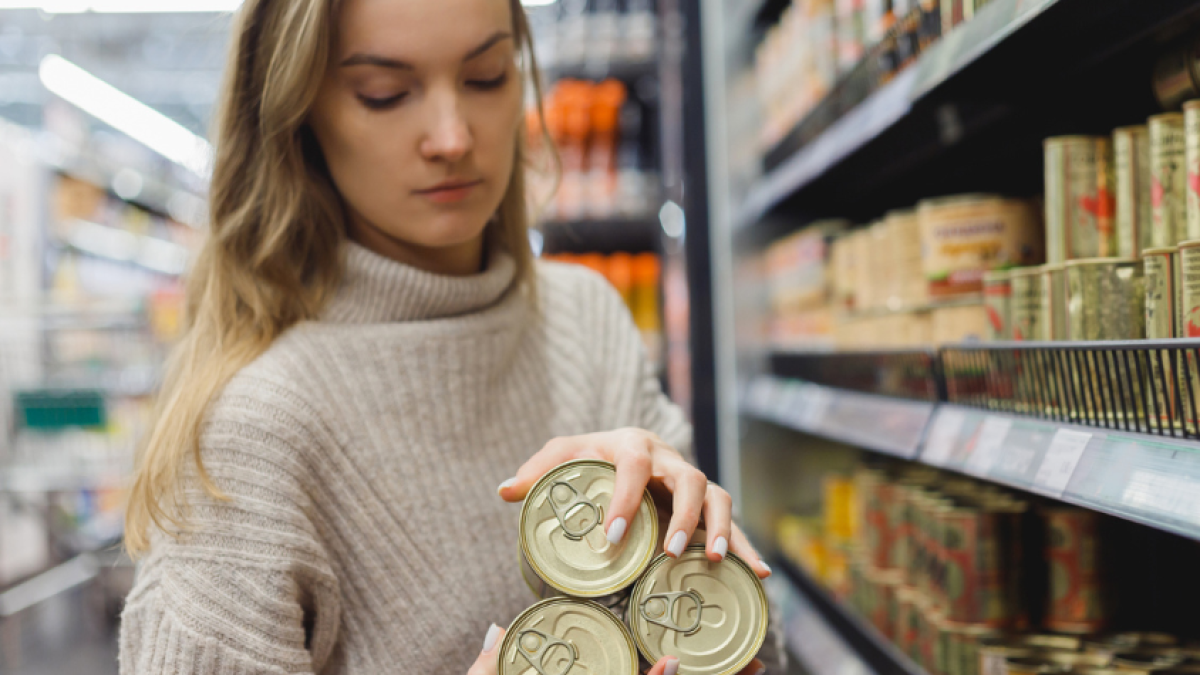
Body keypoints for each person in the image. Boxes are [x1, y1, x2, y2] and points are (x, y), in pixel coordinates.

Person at [118, 0, 777, 673]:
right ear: (297, 111)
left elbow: (745, 647)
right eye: (386, 93)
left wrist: (702, 566)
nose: (453, 137)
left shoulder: (587, 321)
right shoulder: (248, 434)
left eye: (487, 76)